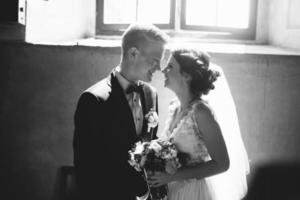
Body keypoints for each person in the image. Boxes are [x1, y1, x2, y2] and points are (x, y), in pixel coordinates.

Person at [73, 23, 169, 200]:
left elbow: (149, 146)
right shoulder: (93, 100)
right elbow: (85, 169)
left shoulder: (151, 94)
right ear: (133, 53)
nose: (158, 68)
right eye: (155, 61)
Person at [148, 48, 250, 200]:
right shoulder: (174, 106)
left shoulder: (202, 112)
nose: (163, 70)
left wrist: (173, 176)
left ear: (186, 76)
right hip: (171, 191)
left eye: (170, 67)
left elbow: (221, 164)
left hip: (192, 193)